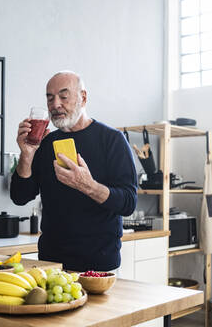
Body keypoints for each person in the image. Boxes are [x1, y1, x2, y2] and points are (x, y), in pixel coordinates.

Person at [10, 71, 137, 272]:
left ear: (83, 98)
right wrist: (26, 154)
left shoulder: (112, 140)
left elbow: (128, 203)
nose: (55, 104)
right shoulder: (45, 143)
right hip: (51, 264)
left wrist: (88, 185)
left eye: (63, 96)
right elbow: (19, 196)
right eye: (50, 98)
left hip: (99, 266)